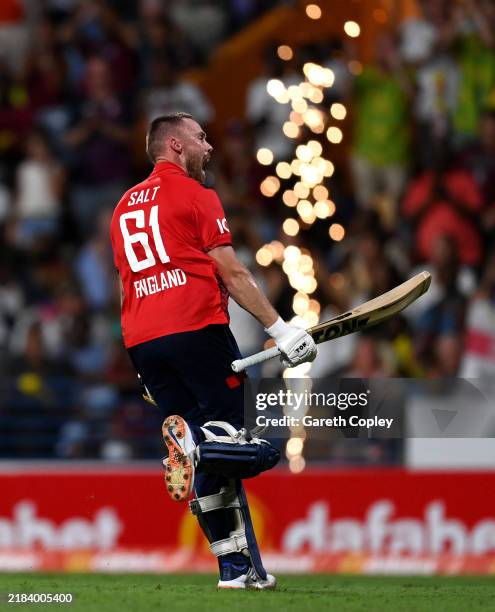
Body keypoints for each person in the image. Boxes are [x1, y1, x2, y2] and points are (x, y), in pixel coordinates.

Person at [109, 112, 317, 589]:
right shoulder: (196, 194)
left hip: (143, 341)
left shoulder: (122, 207)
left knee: (211, 444)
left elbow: (125, 288)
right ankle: (197, 446)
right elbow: (232, 271)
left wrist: (139, 366)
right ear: (176, 146)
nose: (209, 146)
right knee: (249, 445)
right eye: (201, 137)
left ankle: (235, 570)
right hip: (196, 329)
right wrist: (281, 329)